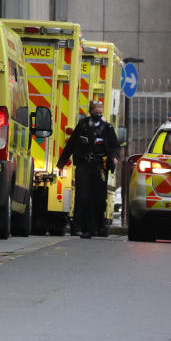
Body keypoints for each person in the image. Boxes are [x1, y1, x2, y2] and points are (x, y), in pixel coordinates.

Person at [56, 100, 120, 238]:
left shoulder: (107, 128)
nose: (98, 114)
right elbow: (71, 144)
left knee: (99, 198)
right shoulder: (82, 126)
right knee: (82, 197)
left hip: (99, 168)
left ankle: (98, 227)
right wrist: (61, 163)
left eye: (100, 112)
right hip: (84, 166)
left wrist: (114, 157)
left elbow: (114, 145)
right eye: (96, 112)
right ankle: (79, 227)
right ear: (90, 112)